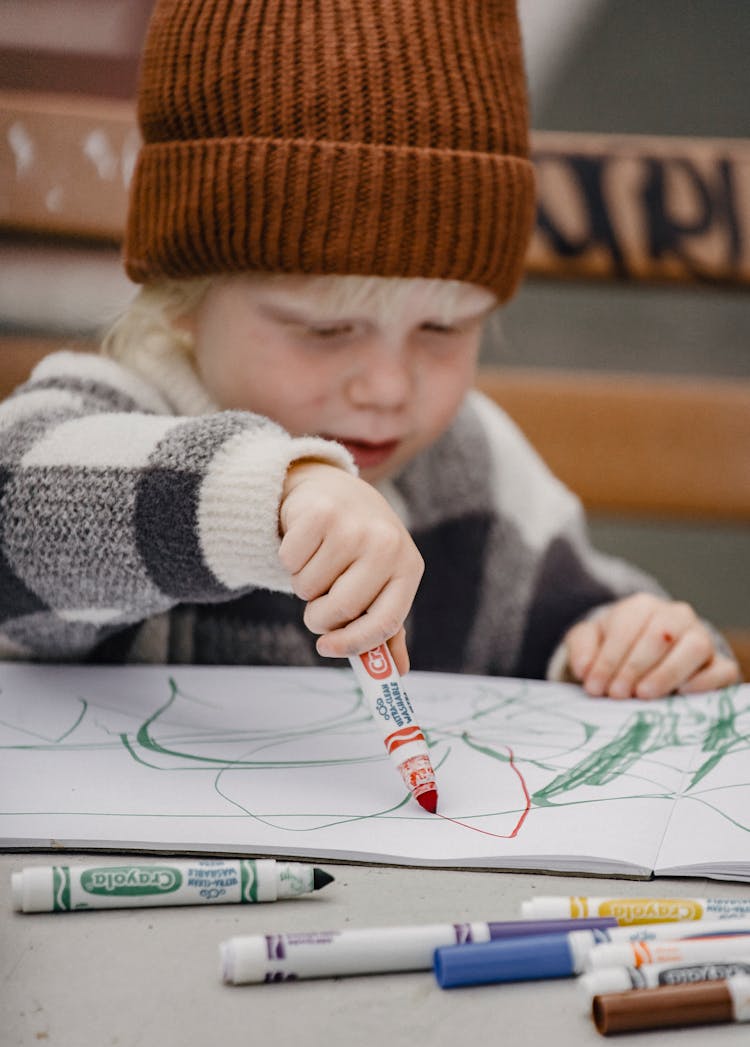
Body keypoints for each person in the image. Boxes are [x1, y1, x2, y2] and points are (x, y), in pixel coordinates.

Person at [0, 0, 739, 701]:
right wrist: (269, 494)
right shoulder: (113, 414)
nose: (388, 387)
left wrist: (627, 644)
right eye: (325, 331)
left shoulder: (469, 471)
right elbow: (19, 509)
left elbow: (581, 616)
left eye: (442, 331)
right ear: (183, 297)